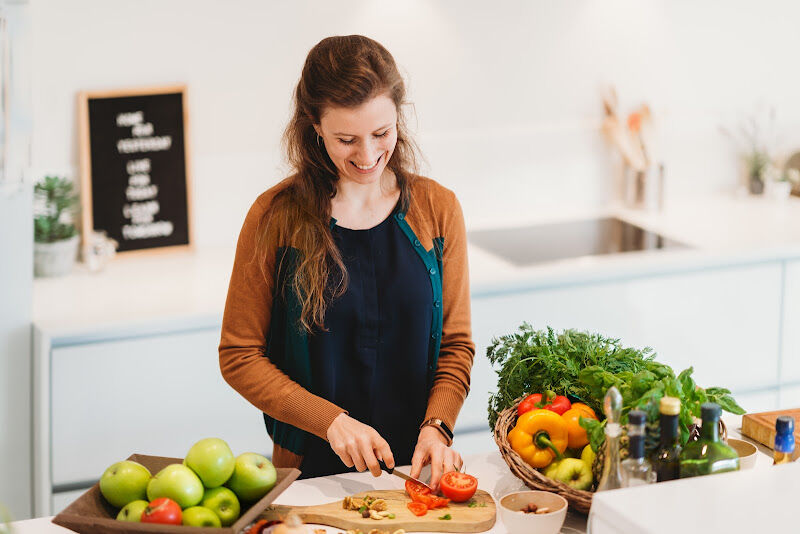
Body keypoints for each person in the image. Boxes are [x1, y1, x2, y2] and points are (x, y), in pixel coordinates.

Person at [219, 35, 474, 491]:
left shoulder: (438, 209)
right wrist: (331, 421)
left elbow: (456, 346)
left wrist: (438, 425)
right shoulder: (274, 216)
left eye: (382, 133)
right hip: (307, 475)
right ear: (315, 126)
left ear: (399, 116)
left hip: (415, 474)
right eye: (346, 139)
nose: (368, 154)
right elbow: (239, 356)